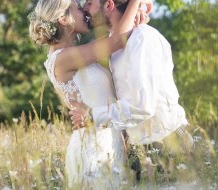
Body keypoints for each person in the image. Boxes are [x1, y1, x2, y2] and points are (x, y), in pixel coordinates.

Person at [28, 0, 152, 188]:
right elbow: (117, 40)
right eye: (78, 8)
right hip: (92, 148)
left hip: (111, 142)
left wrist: (135, 18)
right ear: (63, 18)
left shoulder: (78, 53)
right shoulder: (62, 59)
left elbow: (117, 36)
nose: (85, 11)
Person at [70, 0, 194, 181]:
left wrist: (92, 115)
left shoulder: (142, 38)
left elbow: (143, 105)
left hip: (167, 144)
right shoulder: (118, 41)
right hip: (139, 148)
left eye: (89, 2)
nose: (85, 8)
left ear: (109, 5)